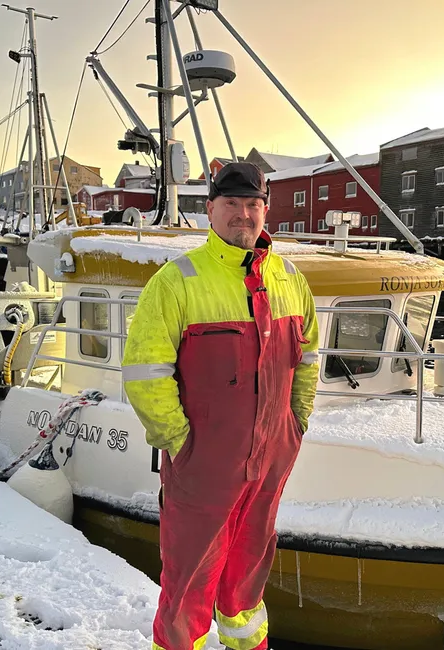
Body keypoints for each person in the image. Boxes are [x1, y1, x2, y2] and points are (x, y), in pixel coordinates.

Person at [122, 162, 319, 650]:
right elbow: (145, 371)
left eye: (253, 205)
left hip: (270, 457)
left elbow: (309, 355)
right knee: (188, 579)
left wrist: (295, 423)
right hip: (203, 462)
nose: (243, 215)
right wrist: (180, 444)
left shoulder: (290, 278)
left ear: (265, 210)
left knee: (249, 572)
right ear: (210, 210)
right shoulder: (178, 281)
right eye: (232, 204)